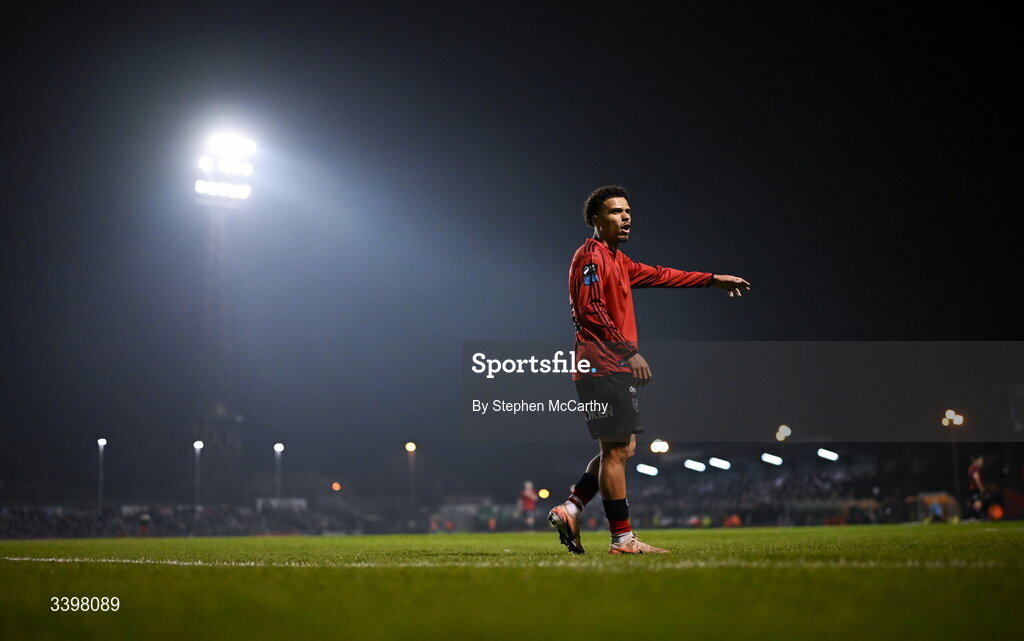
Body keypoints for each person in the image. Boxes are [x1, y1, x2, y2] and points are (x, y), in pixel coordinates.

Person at [548, 185, 750, 555]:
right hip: (602, 365)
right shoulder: (591, 257)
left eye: (627, 211)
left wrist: (711, 278)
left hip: (605, 365)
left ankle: (571, 507)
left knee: (620, 448)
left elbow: (662, 274)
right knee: (618, 450)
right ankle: (622, 539)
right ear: (595, 219)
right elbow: (591, 310)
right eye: (614, 212)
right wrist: (627, 353)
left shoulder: (617, 260)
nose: (625, 217)